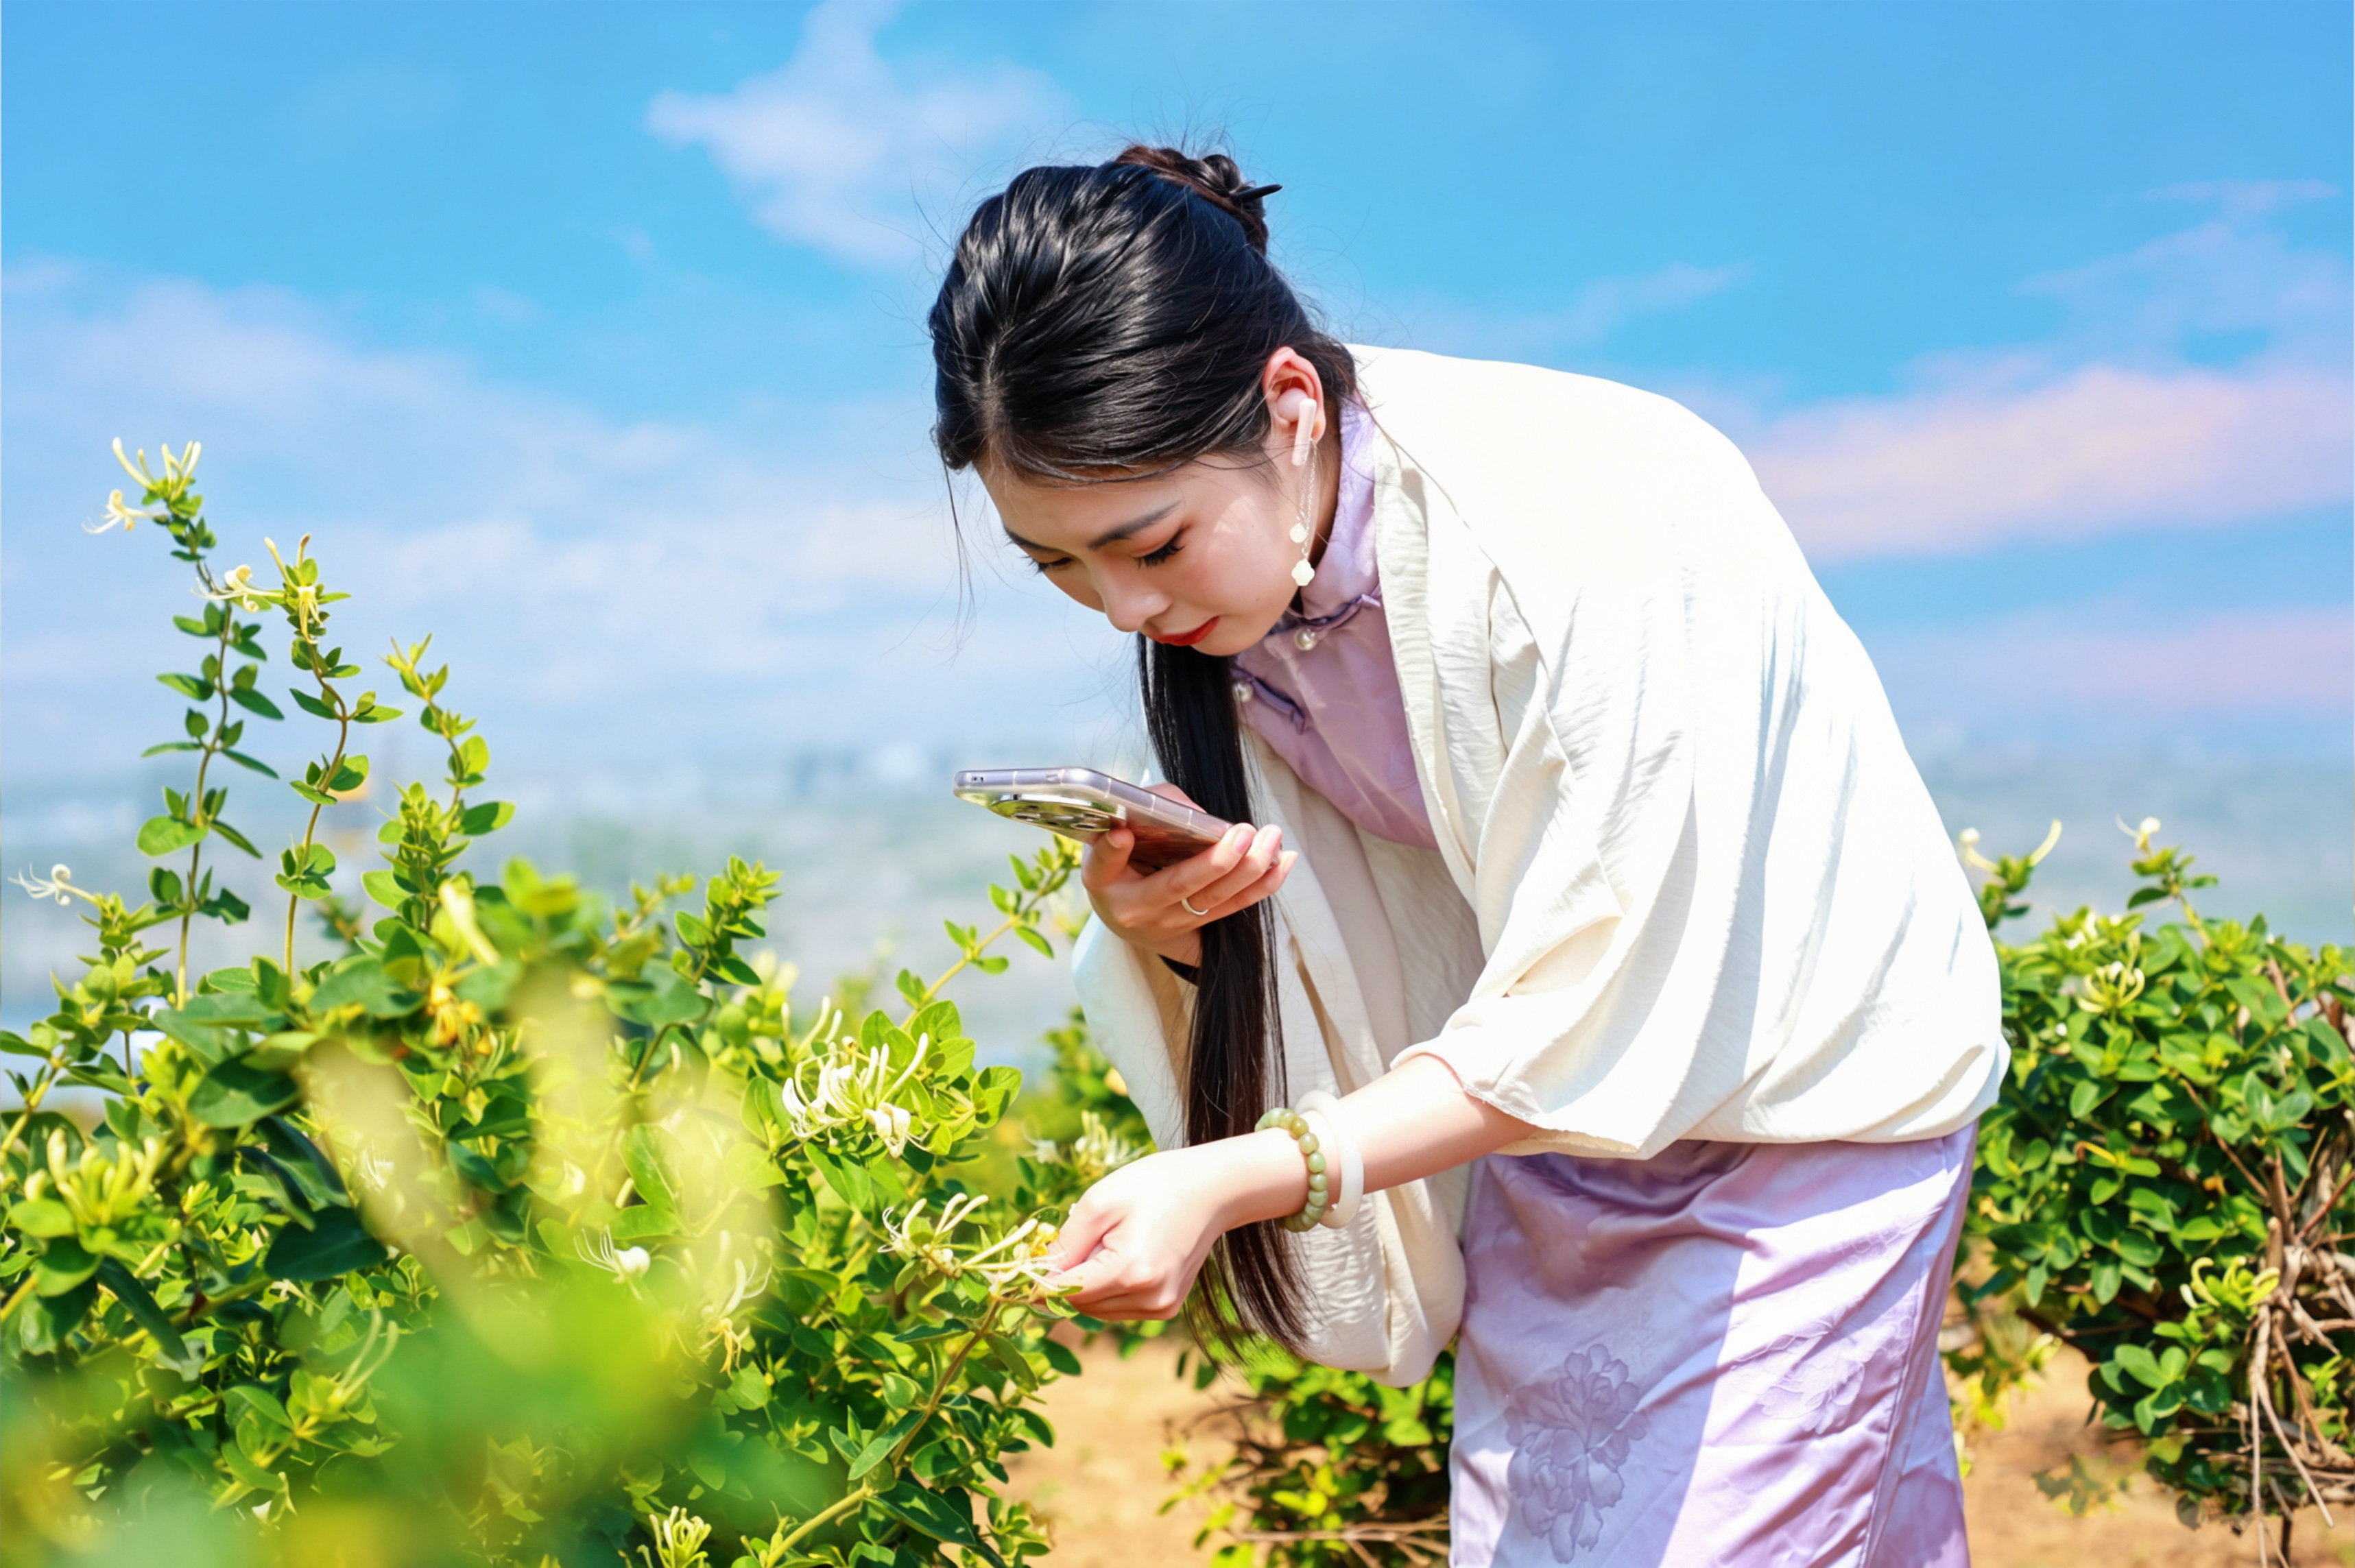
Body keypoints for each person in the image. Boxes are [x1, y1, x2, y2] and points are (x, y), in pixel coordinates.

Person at [927, 145, 2004, 1567]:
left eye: (1152, 544)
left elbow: (1610, 971)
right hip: (1551, 1143)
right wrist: (1177, 928)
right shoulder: (1253, 609)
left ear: (1290, 408)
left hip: (1800, 1121)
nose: (1121, 608)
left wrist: (1242, 1173)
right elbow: (1429, 950)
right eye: (1059, 566)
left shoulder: (1579, 522)